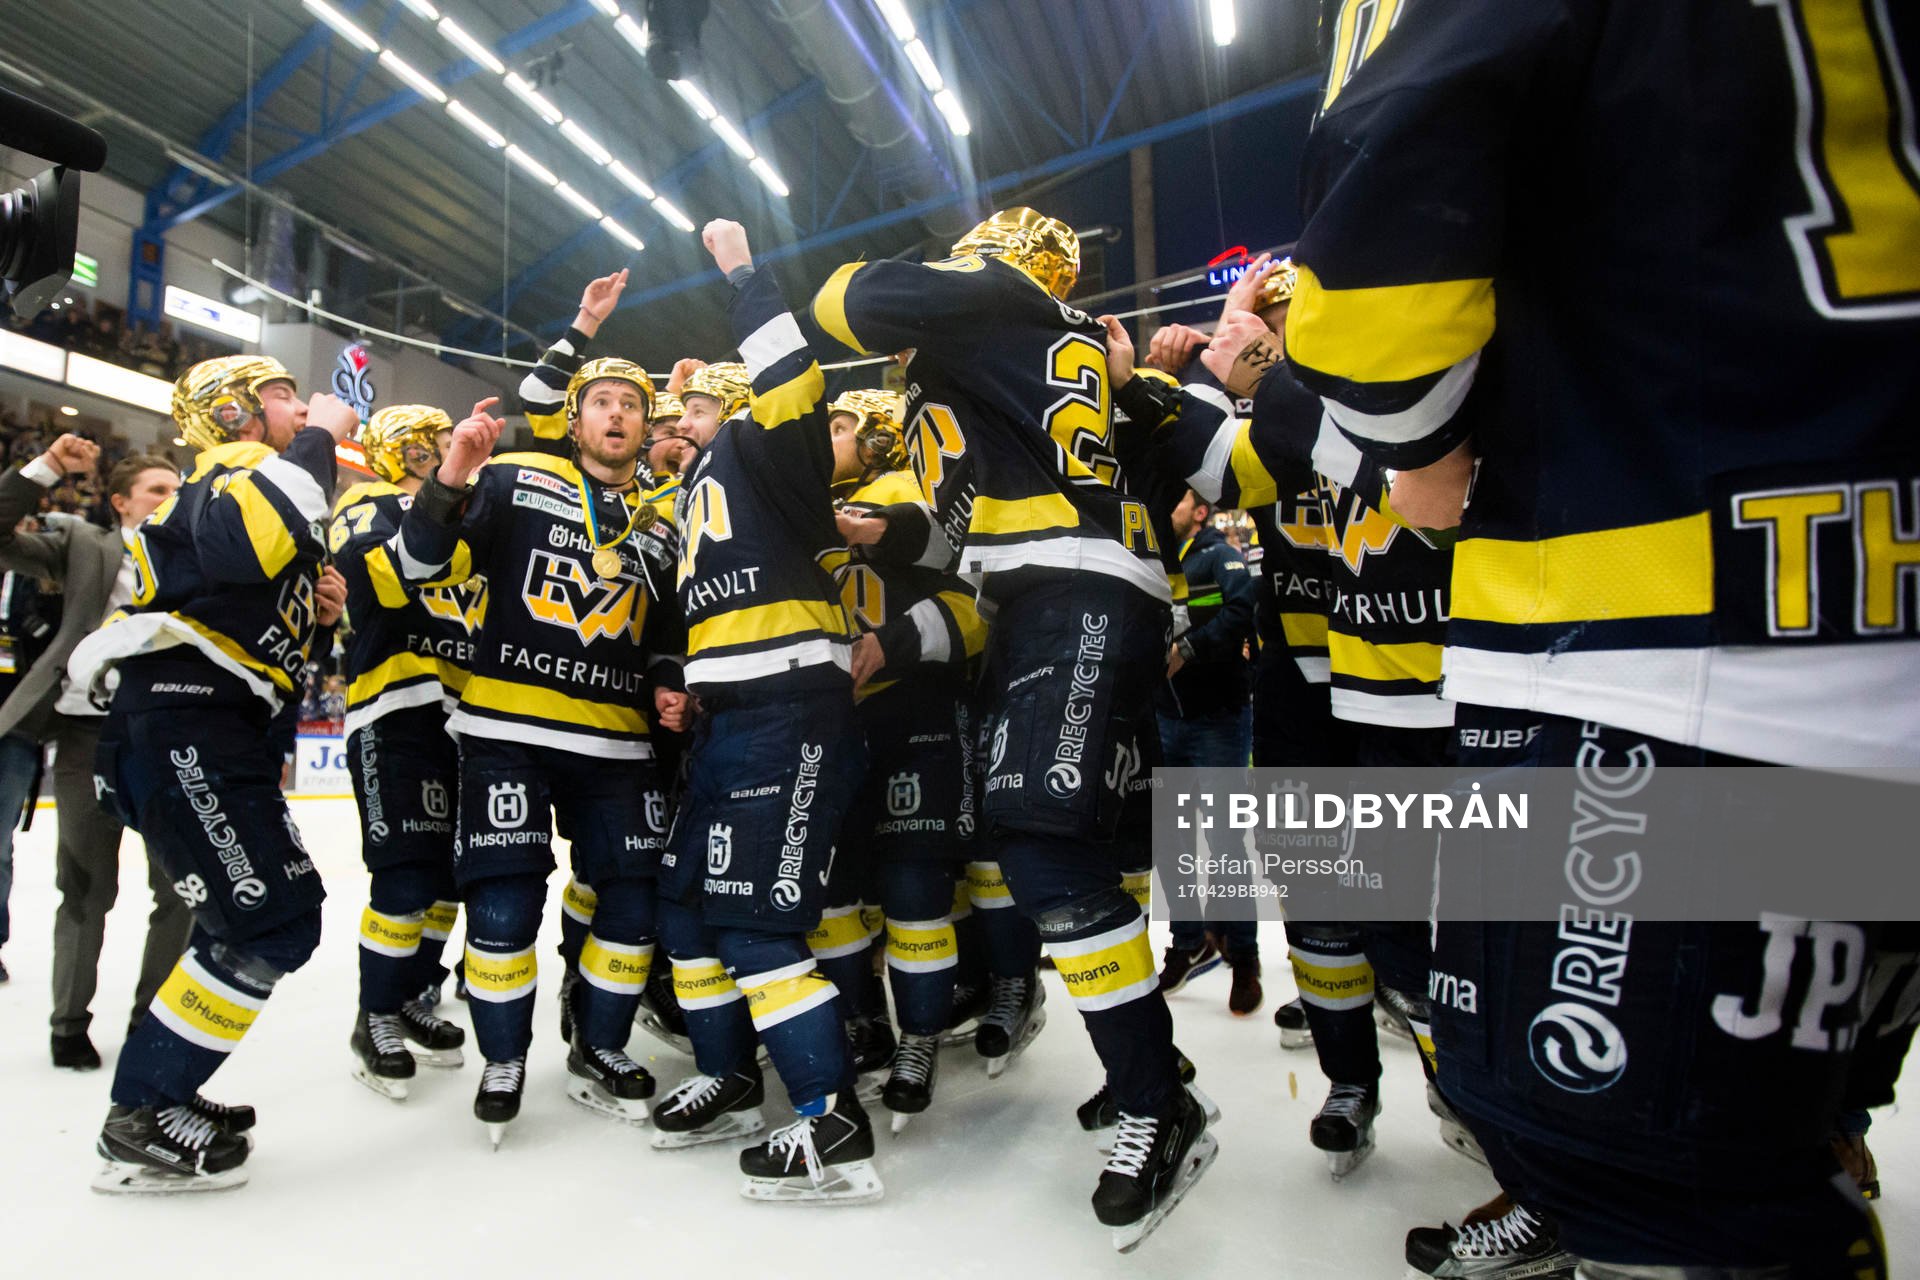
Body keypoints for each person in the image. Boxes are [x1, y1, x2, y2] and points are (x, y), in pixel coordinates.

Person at [1199, 1, 1918, 1273]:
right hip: (1402, 683)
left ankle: (1568, 1177)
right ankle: (1506, 1140)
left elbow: (1386, 294)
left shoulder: (1367, 355)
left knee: (1636, 1150)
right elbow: (1223, 470)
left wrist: (1326, 382)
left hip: (1635, 648)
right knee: (1750, 1080)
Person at [813, 206, 1215, 1249]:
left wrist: (952, 280)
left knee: (1037, 845)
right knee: (1080, 847)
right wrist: (881, 530)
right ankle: (1150, 1064)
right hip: (1073, 593)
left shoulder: (993, 297)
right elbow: (971, 521)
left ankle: (1157, 1099)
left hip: (1068, 592)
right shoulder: (1021, 353)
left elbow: (843, 297)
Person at [69, 355, 357, 1192]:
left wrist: (317, 618)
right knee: (272, 923)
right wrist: (319, 441)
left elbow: (243, 610)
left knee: (253, 918)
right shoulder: (235, 472)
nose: (300, 406)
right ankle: (141, 1114)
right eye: (282, 396)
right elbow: (238, 551)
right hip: (187, 725)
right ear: (231, 413)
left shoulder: (244, 487)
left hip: (206, 728)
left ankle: (161, 1091)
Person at [389, 359, 680, 1143]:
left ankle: (600, 1043)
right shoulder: (516, 477)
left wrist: (669, 681)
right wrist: (452, 476)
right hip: (508, 733)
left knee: (635, 902)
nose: (616, 415)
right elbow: (419, 565)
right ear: (575, 422)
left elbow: (666, 635)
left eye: (631, 404)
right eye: (601, 402)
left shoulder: (663, 520)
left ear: (645, 424)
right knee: (505, 902)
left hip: (618, 744)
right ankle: (504, 1059)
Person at [646, 221, 876, 1205]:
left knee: (754, 922)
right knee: (686, 907)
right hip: (726, 718)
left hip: (789, 708)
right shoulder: (697, 477)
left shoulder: (768, 444)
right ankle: (732, 1075)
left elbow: (791, 371)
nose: (678, 411)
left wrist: (743, 275)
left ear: (734, 400)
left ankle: (833, 1120)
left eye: (695, 401)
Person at [825, 387, 989, 1129]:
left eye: (840, 425)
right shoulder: (809, 497)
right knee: (835, 889)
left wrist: (891, 644)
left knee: (914, 883)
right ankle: (865, 1022)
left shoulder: (909, 489)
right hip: (831, 719)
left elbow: (974, 600)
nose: (826, 436)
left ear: (881, 436)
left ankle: (920, 1036)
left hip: (913, 710)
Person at [0, 442, 185, 1065]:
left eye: (177, 491)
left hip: (166, 739)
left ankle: (150, 1022)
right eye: (157, 490)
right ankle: (68, 1024)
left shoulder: (201, 559)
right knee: (85, 890)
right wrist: (47, 469)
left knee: (180, 892)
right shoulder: (85, 545)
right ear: (120, 502)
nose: (170, 500)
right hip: (88, 738)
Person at [330, 405, 475, 1099]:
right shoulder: (367, 503)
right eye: (441, 442)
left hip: (466, 715)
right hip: (398, 704)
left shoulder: (469, 514)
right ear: (411, 450)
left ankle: (414, 992)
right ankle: (376, 1014)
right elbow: (384, 579)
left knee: (449, 877)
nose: (452, 451)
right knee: (407, 873)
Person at [1152, 487, 1259, 1014]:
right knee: (1171, 842)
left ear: (1198, 512)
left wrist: (1189, 648)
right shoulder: (1154, 557)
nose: (1166, 508)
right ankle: (1187, 941)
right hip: (1166, 719)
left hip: (1218, 719)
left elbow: (1243, 609)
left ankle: (1245, 956)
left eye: (1176, 501)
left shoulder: (1220, 555)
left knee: (1225, 841)